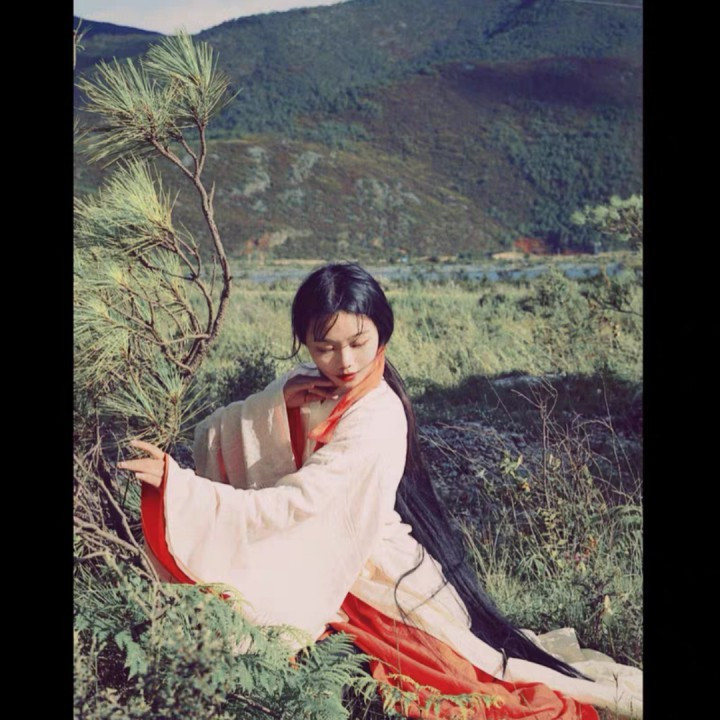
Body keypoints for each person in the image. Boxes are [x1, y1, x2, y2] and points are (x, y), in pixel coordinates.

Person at [118, 262, 642, 719]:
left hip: (376, 571)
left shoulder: (378, 414)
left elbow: (304, 503)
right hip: (325, 549)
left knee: (465, 688)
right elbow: (217, 432)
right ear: (305, 344)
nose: (343, 362)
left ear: (382, 332)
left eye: (357, 343)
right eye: (324, 347)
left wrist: (182, 489)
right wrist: (277, 402)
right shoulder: (310, 384)